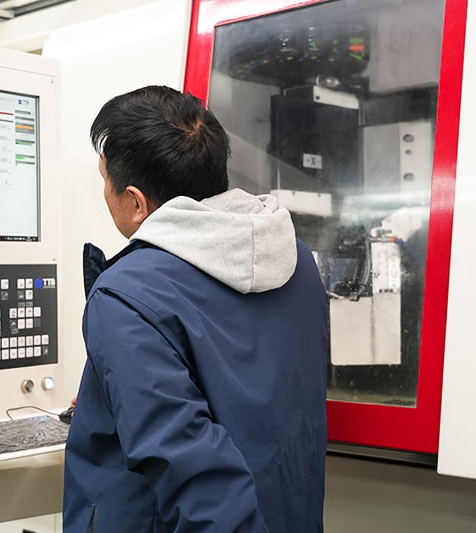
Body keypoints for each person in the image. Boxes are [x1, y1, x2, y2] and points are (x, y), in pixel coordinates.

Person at [62, 85, 329, 532]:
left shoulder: (127, 293)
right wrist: (110, 396)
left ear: (136, 202)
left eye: (105, 181)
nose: (104, 193)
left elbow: (196, 475)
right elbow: (251, 388)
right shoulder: (295, 261)